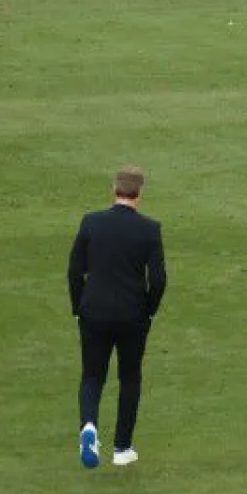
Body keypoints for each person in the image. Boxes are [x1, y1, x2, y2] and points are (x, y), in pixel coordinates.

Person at [67, 166, 166, 470]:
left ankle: (89, 427)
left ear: (114, 189)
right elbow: (159, 279)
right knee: (130, 377)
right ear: (140, 193)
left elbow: (74, 270)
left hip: (93, 311)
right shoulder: (149, 229)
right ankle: (122, 447)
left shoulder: (91, 222)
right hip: (132, 314)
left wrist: (78, 307)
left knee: (92, 376)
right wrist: (148, 310)